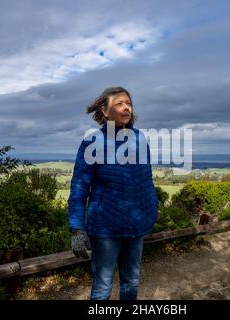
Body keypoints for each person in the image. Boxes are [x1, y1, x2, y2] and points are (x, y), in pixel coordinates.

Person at [68, 87, 158, 300]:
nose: (126, 107)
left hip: (136, 227)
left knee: (131, 280)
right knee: (102, 286)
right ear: (104, 111)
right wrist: (77, 229)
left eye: (128, 102)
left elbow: (146, 178)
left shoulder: (140, 139)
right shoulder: (92, 143)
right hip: (106, 228)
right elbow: (79, 188)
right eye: (119, 103)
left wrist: (152, 207)